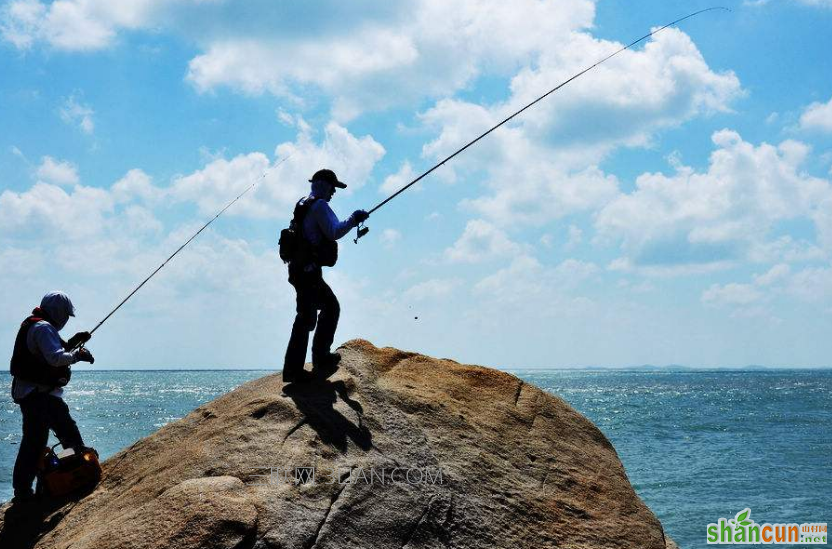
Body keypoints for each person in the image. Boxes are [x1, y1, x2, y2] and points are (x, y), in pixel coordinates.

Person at [9, 291, 95, 506]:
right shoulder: (44, 328)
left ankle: (38, 485)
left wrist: (74, 342)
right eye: (65, 315)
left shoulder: (34, 325)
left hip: (36, 395)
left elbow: (50, 353)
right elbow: (56, 358)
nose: (65, 320)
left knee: (41, 440)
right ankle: (71, 474)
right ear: (58, 312)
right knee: (57, 437)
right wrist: (78, 355)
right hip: (39, 396)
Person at [283, 169, 369, 383]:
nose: (333, 192)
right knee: (326, 309)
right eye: (333, 187)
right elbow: (334, 232)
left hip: (298, 268)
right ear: (323, 185)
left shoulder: (303, 203)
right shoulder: (319, 205)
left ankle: (297, 368)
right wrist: (354, 218)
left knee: (308, 315)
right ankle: (317, 359)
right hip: (308, 270)